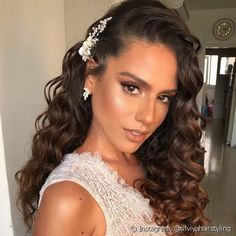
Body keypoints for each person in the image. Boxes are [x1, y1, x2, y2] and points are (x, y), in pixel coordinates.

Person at [15, 0, 209, 235]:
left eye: (164, 97)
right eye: (131, 87)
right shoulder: (68, 199)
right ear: (91, 76)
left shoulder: (153, 158)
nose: (148, 116)